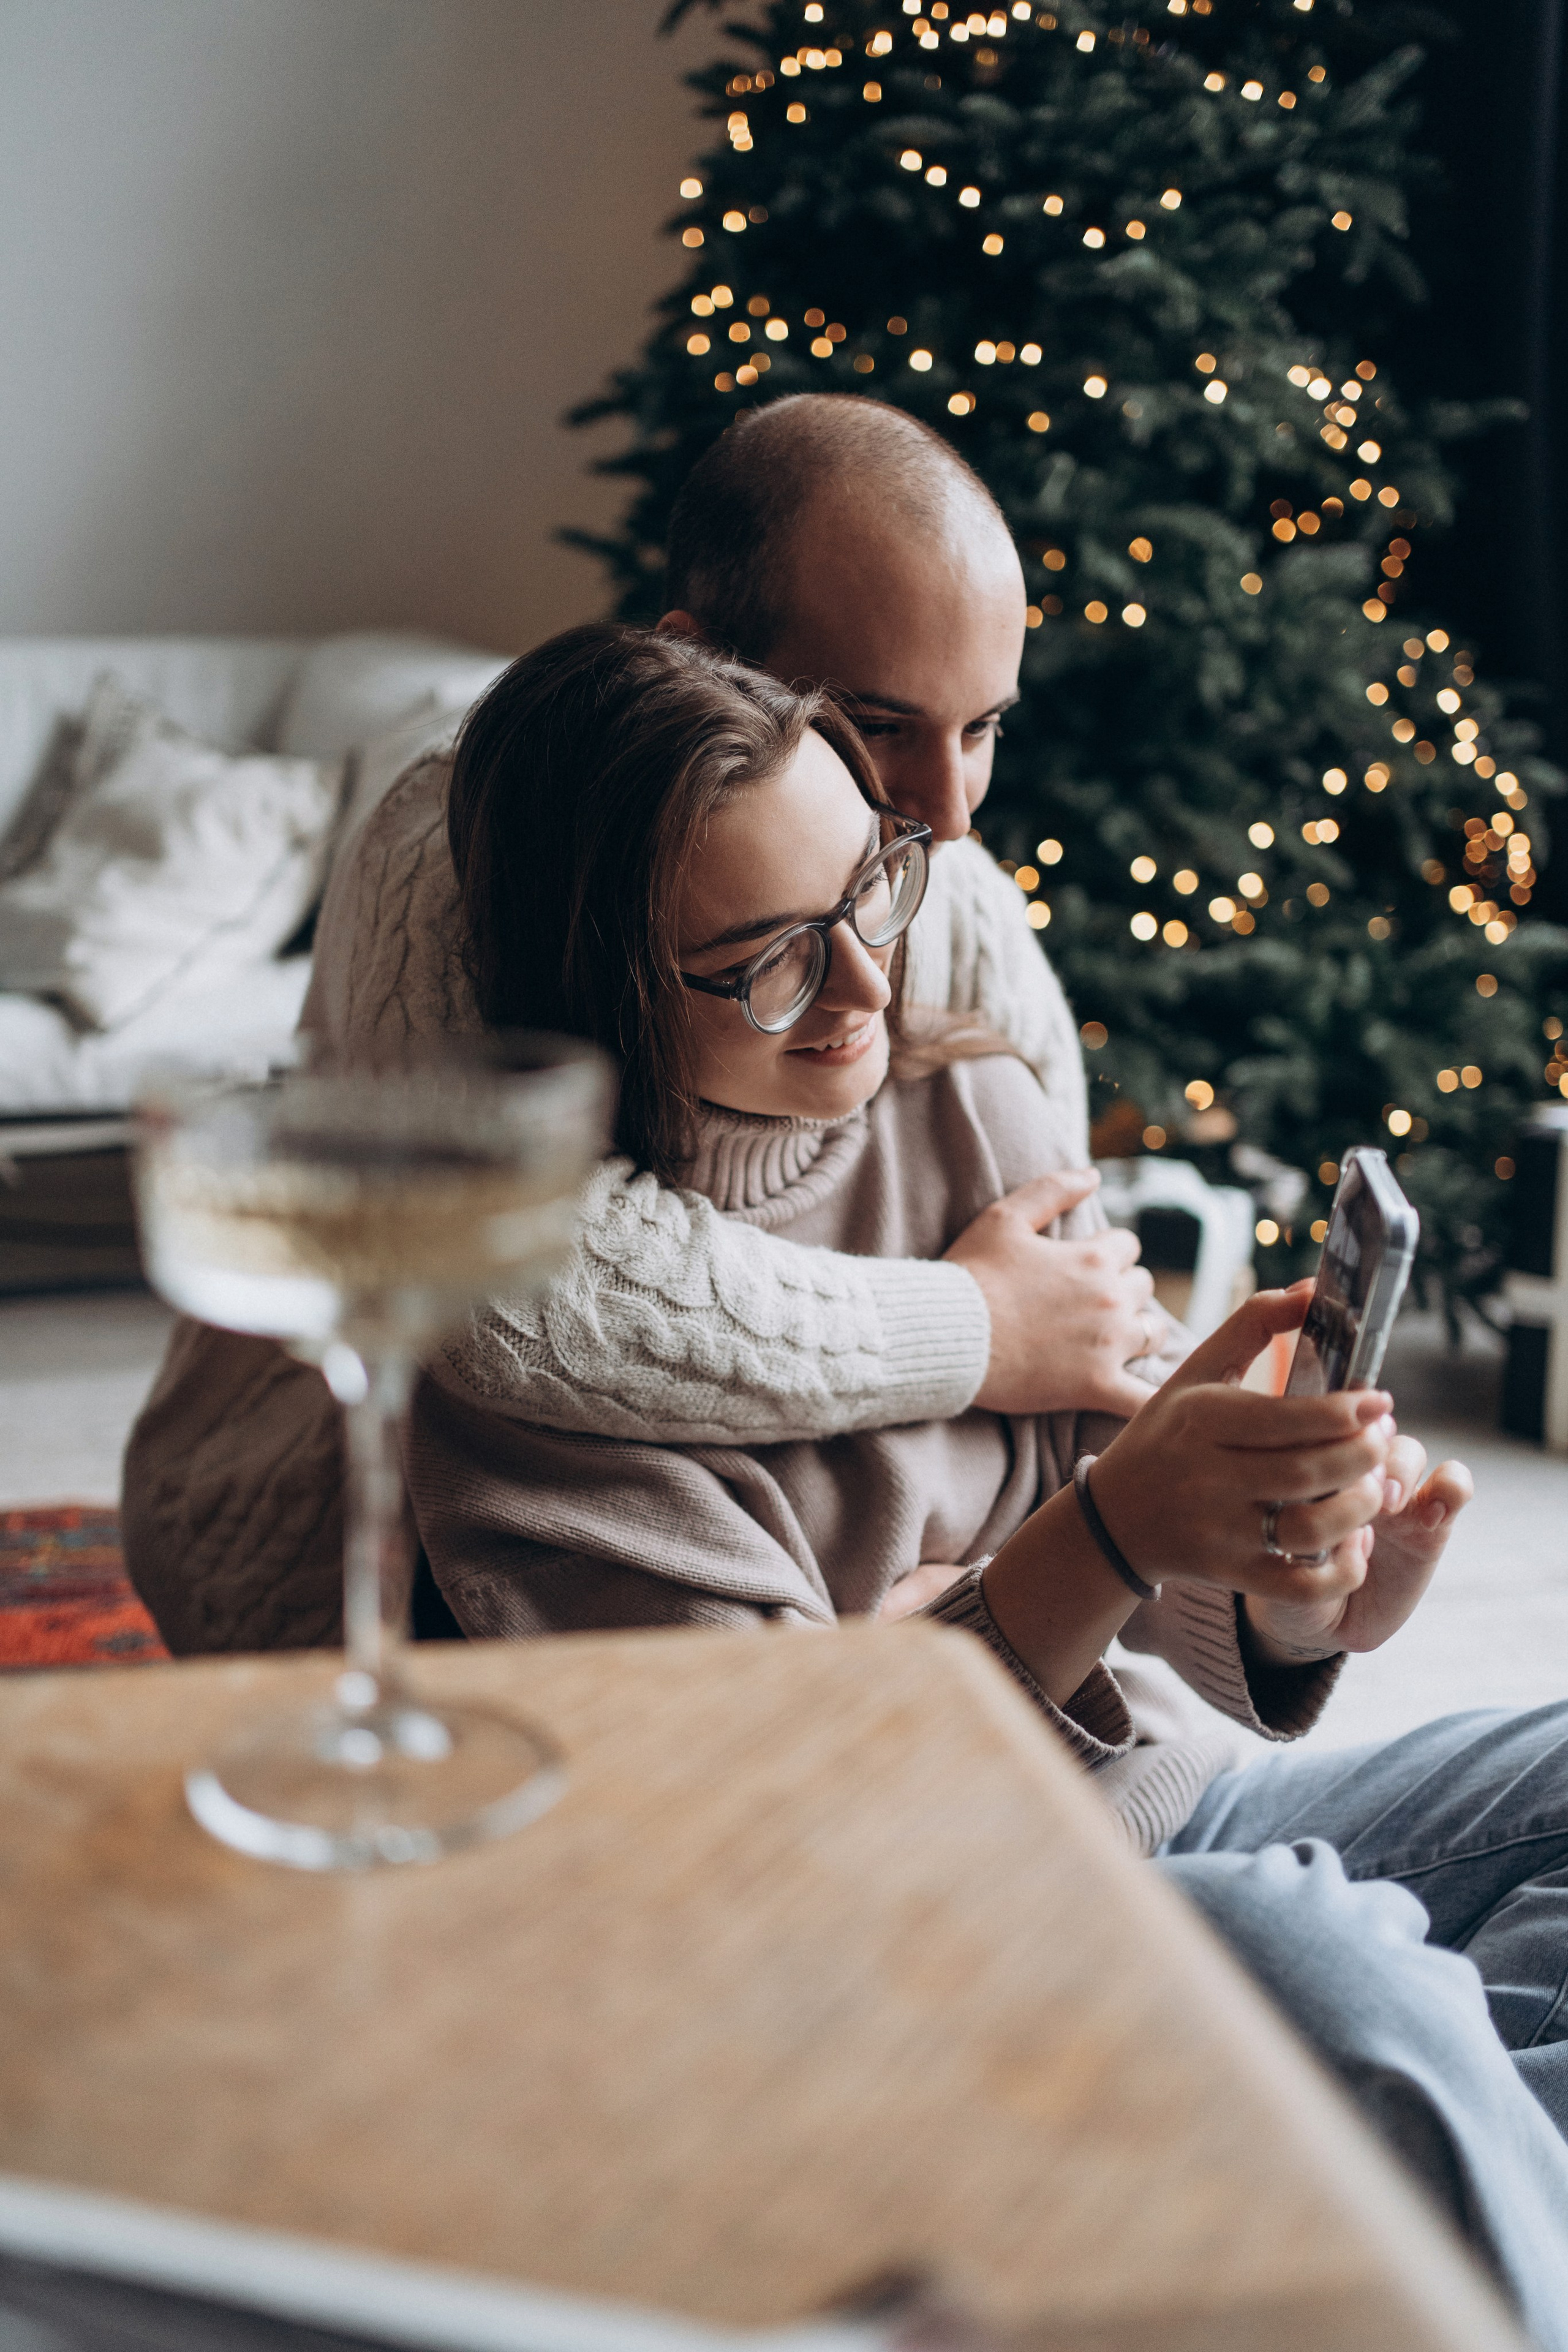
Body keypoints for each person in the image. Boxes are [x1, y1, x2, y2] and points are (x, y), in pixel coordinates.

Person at [405, 617, 1568, 2347]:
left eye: (868, 895)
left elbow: (1146, 1597)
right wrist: (1088, 1539)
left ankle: (1424, 2171)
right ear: (601, 982)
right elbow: (786, 1814)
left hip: (1171, 1813)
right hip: (882, 1940)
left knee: (1418, 1936)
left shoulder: (979, 1120)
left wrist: (1295, 1587)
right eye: (772, 962)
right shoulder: (537, 1338)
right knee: (1330, 1967)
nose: (871, 991)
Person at [124, 395, 1164, 1652]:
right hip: (370, 1554)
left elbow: (1083, 1303)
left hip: (810, 1574)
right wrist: (975, 1332)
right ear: (700, 659)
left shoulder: (940, 874)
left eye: (982, 730)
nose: (947, 816)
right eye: (880, 725)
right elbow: (500, 1301)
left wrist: (1081, 1548)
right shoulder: (443, 846)